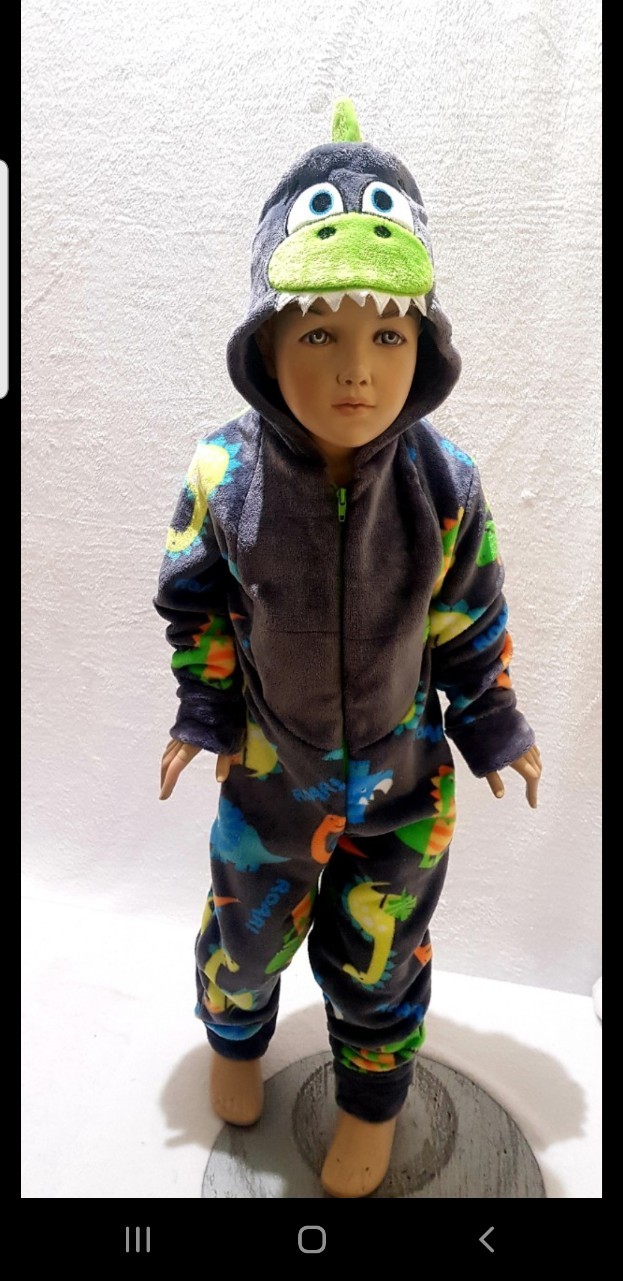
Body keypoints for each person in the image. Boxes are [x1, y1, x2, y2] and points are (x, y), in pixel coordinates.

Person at [154, 98, 542, 1198]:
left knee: (381, 957)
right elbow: (196, 605)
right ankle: (235, 1044)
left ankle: (371, 1103)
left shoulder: (444, 482)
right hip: (267, 775)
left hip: (403, 784)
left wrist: (493, 722)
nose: (356, 373)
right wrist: (204, 711)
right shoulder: (222, 476)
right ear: (265, 342)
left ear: (423, 347)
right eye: (319, 335)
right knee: (242, 936)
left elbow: (469, 615)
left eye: (388, 337)